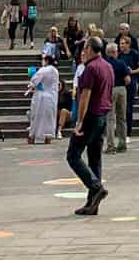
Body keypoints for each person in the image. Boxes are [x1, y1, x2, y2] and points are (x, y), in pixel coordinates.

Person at [68, 37, 112, 215]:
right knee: (95, 158)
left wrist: (79, 122)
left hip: (91, 117)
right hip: (102, 116)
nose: (83, 51)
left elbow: (85, 96)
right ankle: (92, 203)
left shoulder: (91, 68)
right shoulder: (107, 66)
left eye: (85, 48)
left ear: (92, 49)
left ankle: (96, 186)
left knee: (73, 155)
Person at [26, 54, 60, 145]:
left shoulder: (43, 70)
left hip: (41, 97)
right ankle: (47, 138)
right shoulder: (56, 71)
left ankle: (32, 136)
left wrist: (31, 86)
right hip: (52, 97)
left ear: (47, 61)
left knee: (37, 116)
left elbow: (34, 81)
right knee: (49, 118)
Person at [106, 41, 131, 154]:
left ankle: (111, 146)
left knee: (110, 119)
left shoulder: (105, 64)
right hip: (121, 89)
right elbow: (128, 80)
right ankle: (122, 144)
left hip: (109, 90)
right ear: (115, 52)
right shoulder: (121, 63)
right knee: (122, 118)